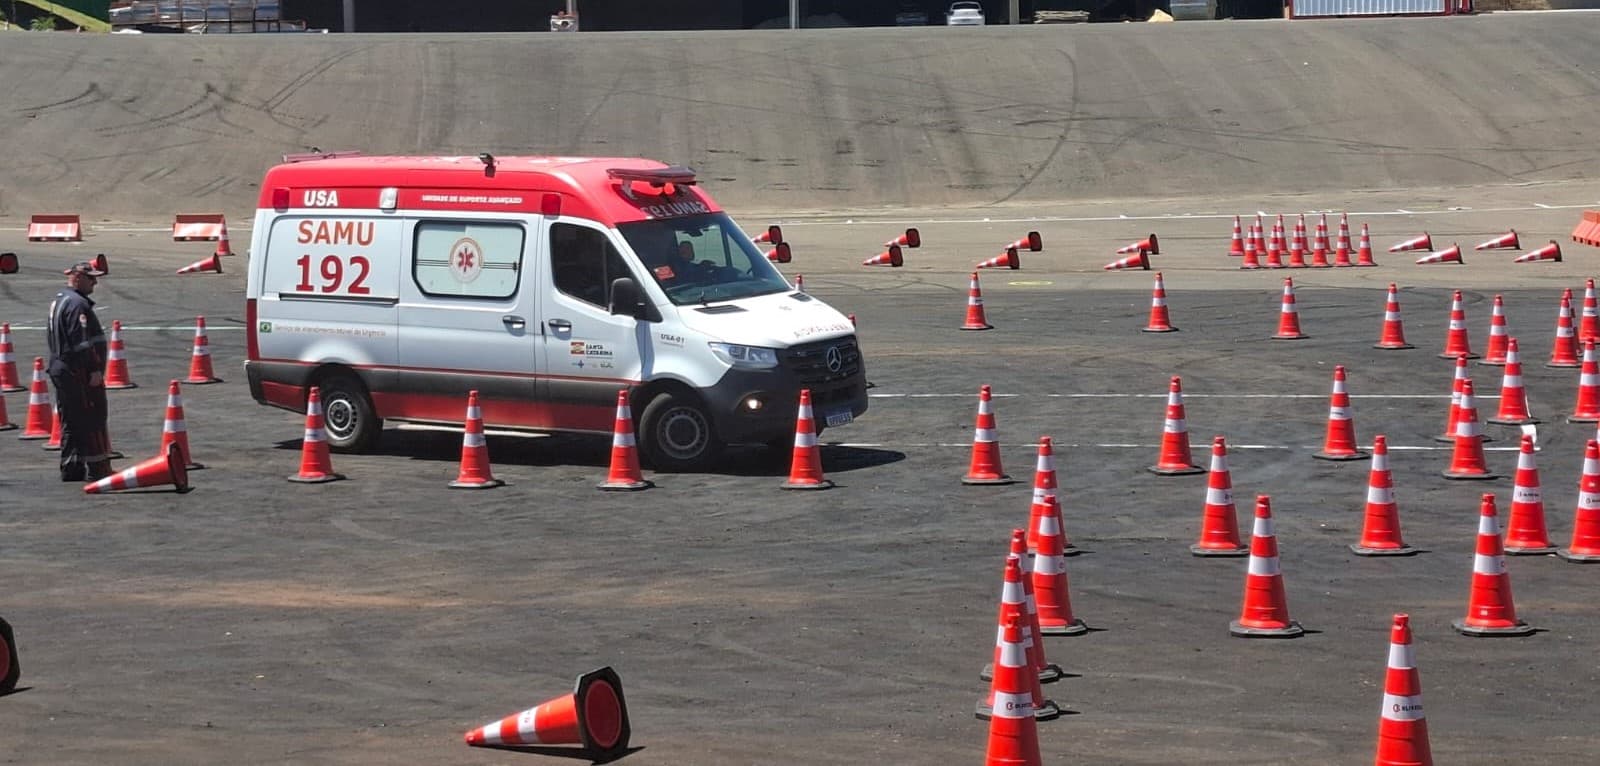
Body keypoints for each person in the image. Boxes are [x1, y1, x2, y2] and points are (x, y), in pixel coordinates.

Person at [47, 261, 113, 482]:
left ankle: (72, 467)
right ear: (76, 278)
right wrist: (93, 369)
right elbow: (81, 342)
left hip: (61, 367)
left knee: (71, 418)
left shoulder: (61, 299)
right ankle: (97, 468)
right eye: (90, 278)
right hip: (76, 370)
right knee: (90, 417)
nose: (95, 282)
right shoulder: (77, 305)